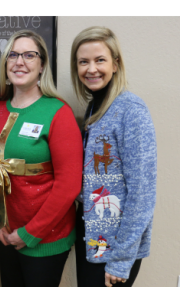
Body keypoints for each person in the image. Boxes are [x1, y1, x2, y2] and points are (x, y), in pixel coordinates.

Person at [0, 30, 83, 287]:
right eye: (13, 55)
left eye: (29, 55)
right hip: (4, 233)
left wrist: (30, 233)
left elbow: (69, 185)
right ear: (5, 64)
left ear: (42, 65)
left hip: (45, 237)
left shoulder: (57, 112)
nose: (20, 61)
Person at [70, 26, 157, 287]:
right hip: (92, 240)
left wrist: (121, 260)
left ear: (116, 64)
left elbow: (142, 194)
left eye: (100, 60)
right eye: (83, 62)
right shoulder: (95, 107)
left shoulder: (131, 110)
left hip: (115, 251)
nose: (91, 69)